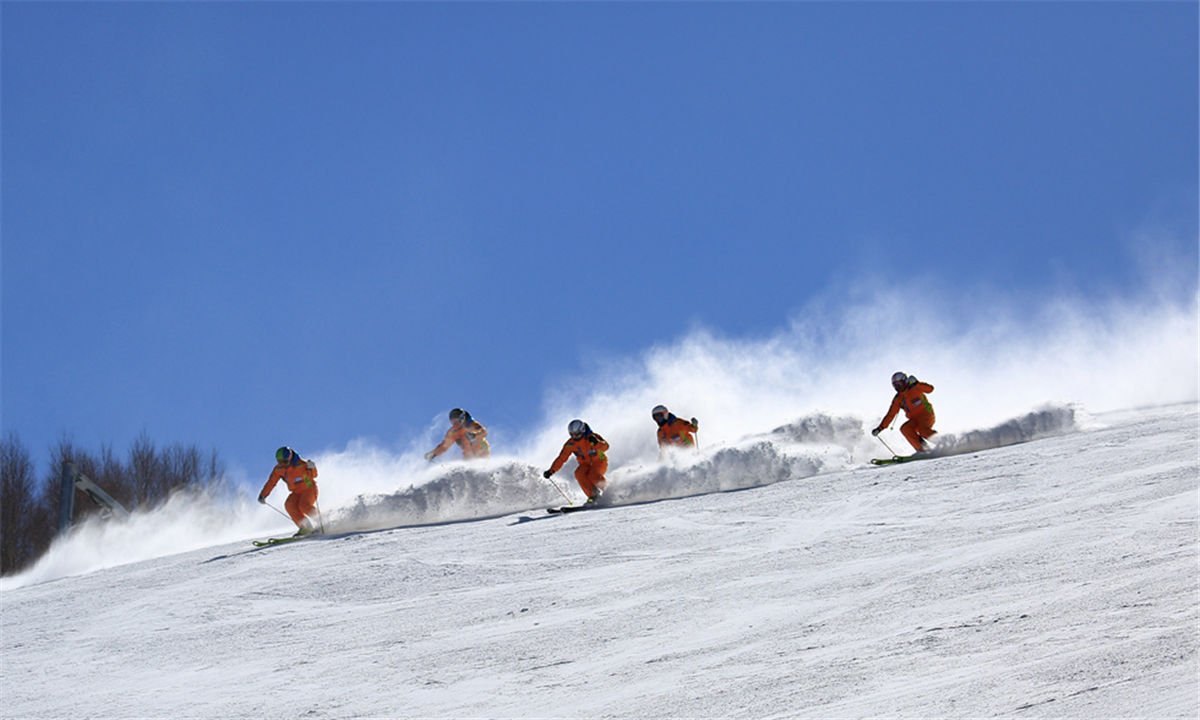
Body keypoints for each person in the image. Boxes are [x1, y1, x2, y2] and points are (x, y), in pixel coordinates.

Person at [543, 419, 609, 504]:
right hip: (585, 464)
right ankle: (593, 495)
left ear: (582, 431)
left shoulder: (592, 437)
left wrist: (597, 443)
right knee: (579, 473)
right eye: (572, 435)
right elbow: (562, 458)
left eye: (577, 435)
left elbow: (606, 447)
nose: (575, 437)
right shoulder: (570, 444)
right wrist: (551, 470)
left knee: (592, 474)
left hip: (599, 462)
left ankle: (609, 491)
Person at [258, 446, 319, 536]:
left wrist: (312, 467)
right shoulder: (279, 469)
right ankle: (306, 527)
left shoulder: (302, 464)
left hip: (309, 489)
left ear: (290, 458)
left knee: (304, 505)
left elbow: (314, 475)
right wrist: (263, 495)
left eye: (285, 462)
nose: (283, 464)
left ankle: (322, 521)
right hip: (296, 492)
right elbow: (271, 482)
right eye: (279, 462)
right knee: (289, 505)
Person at [872, 372, 937, 452]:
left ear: (905, 381)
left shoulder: (914, 388)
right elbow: (891, 414)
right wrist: (880, 428)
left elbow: (930, 389)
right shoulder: (898, 398)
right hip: (914, 420)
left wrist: (917, 384)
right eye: (895, 385)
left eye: (899, 384)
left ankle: (943, 442)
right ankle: (922, 449)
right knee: (905, 428)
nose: (898, 387)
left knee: (923, 430)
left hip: (926, 415)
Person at [425, 408, 490, 461]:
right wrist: (433, 454)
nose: (455, 424)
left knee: (479, 453)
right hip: (468, 453)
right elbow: (444, 446)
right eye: (453, 422)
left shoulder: (471, 424)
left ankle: (484, 467)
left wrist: (475, 435)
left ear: (462, 419)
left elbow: (484, 432)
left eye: (457, 421)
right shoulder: (453, 432)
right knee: (466, 461)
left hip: (481, 449)